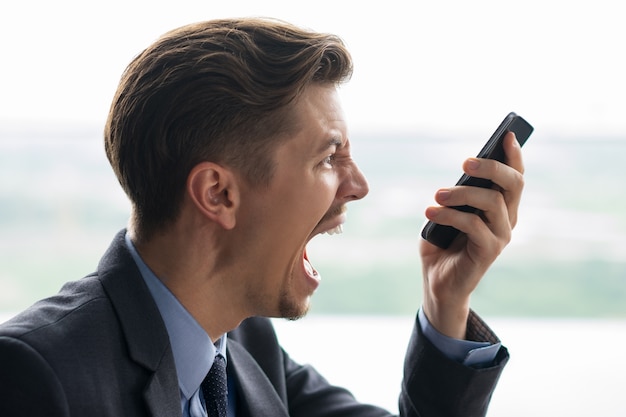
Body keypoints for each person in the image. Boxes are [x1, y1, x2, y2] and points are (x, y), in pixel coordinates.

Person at [0, 17, 525, 417]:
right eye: (328, 158)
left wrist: (445, 298)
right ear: (218, 193)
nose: (359, 186)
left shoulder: (243, 348)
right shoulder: (34, 375)